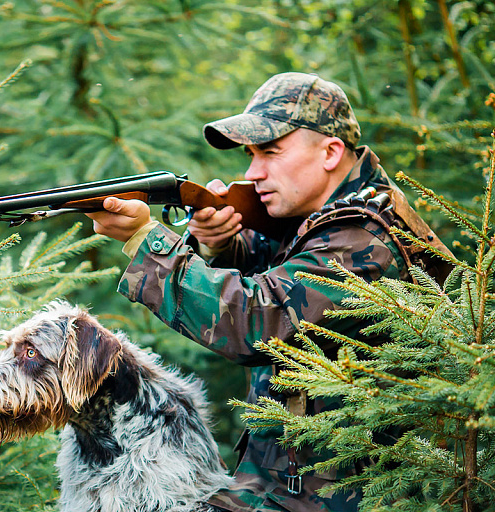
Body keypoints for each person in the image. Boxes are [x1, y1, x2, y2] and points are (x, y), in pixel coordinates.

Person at [86, 72, 452, 512]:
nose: (252, 172)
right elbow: (284, 272)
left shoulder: (364, 237)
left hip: (350, 497)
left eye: (271, 153)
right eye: (250, 154)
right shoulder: (321, 216)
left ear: (331, 152)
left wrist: (146, 240)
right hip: (286, 485)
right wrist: (224, 244)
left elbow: (259, 320)